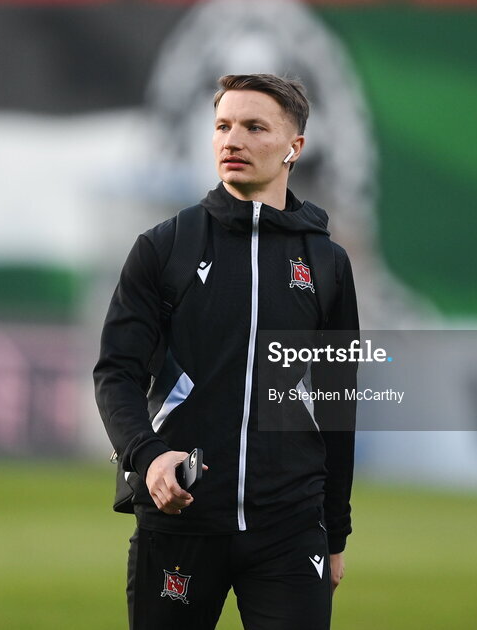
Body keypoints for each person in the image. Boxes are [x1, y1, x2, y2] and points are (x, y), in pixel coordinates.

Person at [94, 73, 359, 630]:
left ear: (294, 148)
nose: (231, 139)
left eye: (253, 127)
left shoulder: (329, 265)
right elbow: (115, 372)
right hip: (181, 518)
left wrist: (334, 532)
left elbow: (338, 408)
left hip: (291, 529)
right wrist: (147, 455)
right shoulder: (164, 247)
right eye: (222, 126)